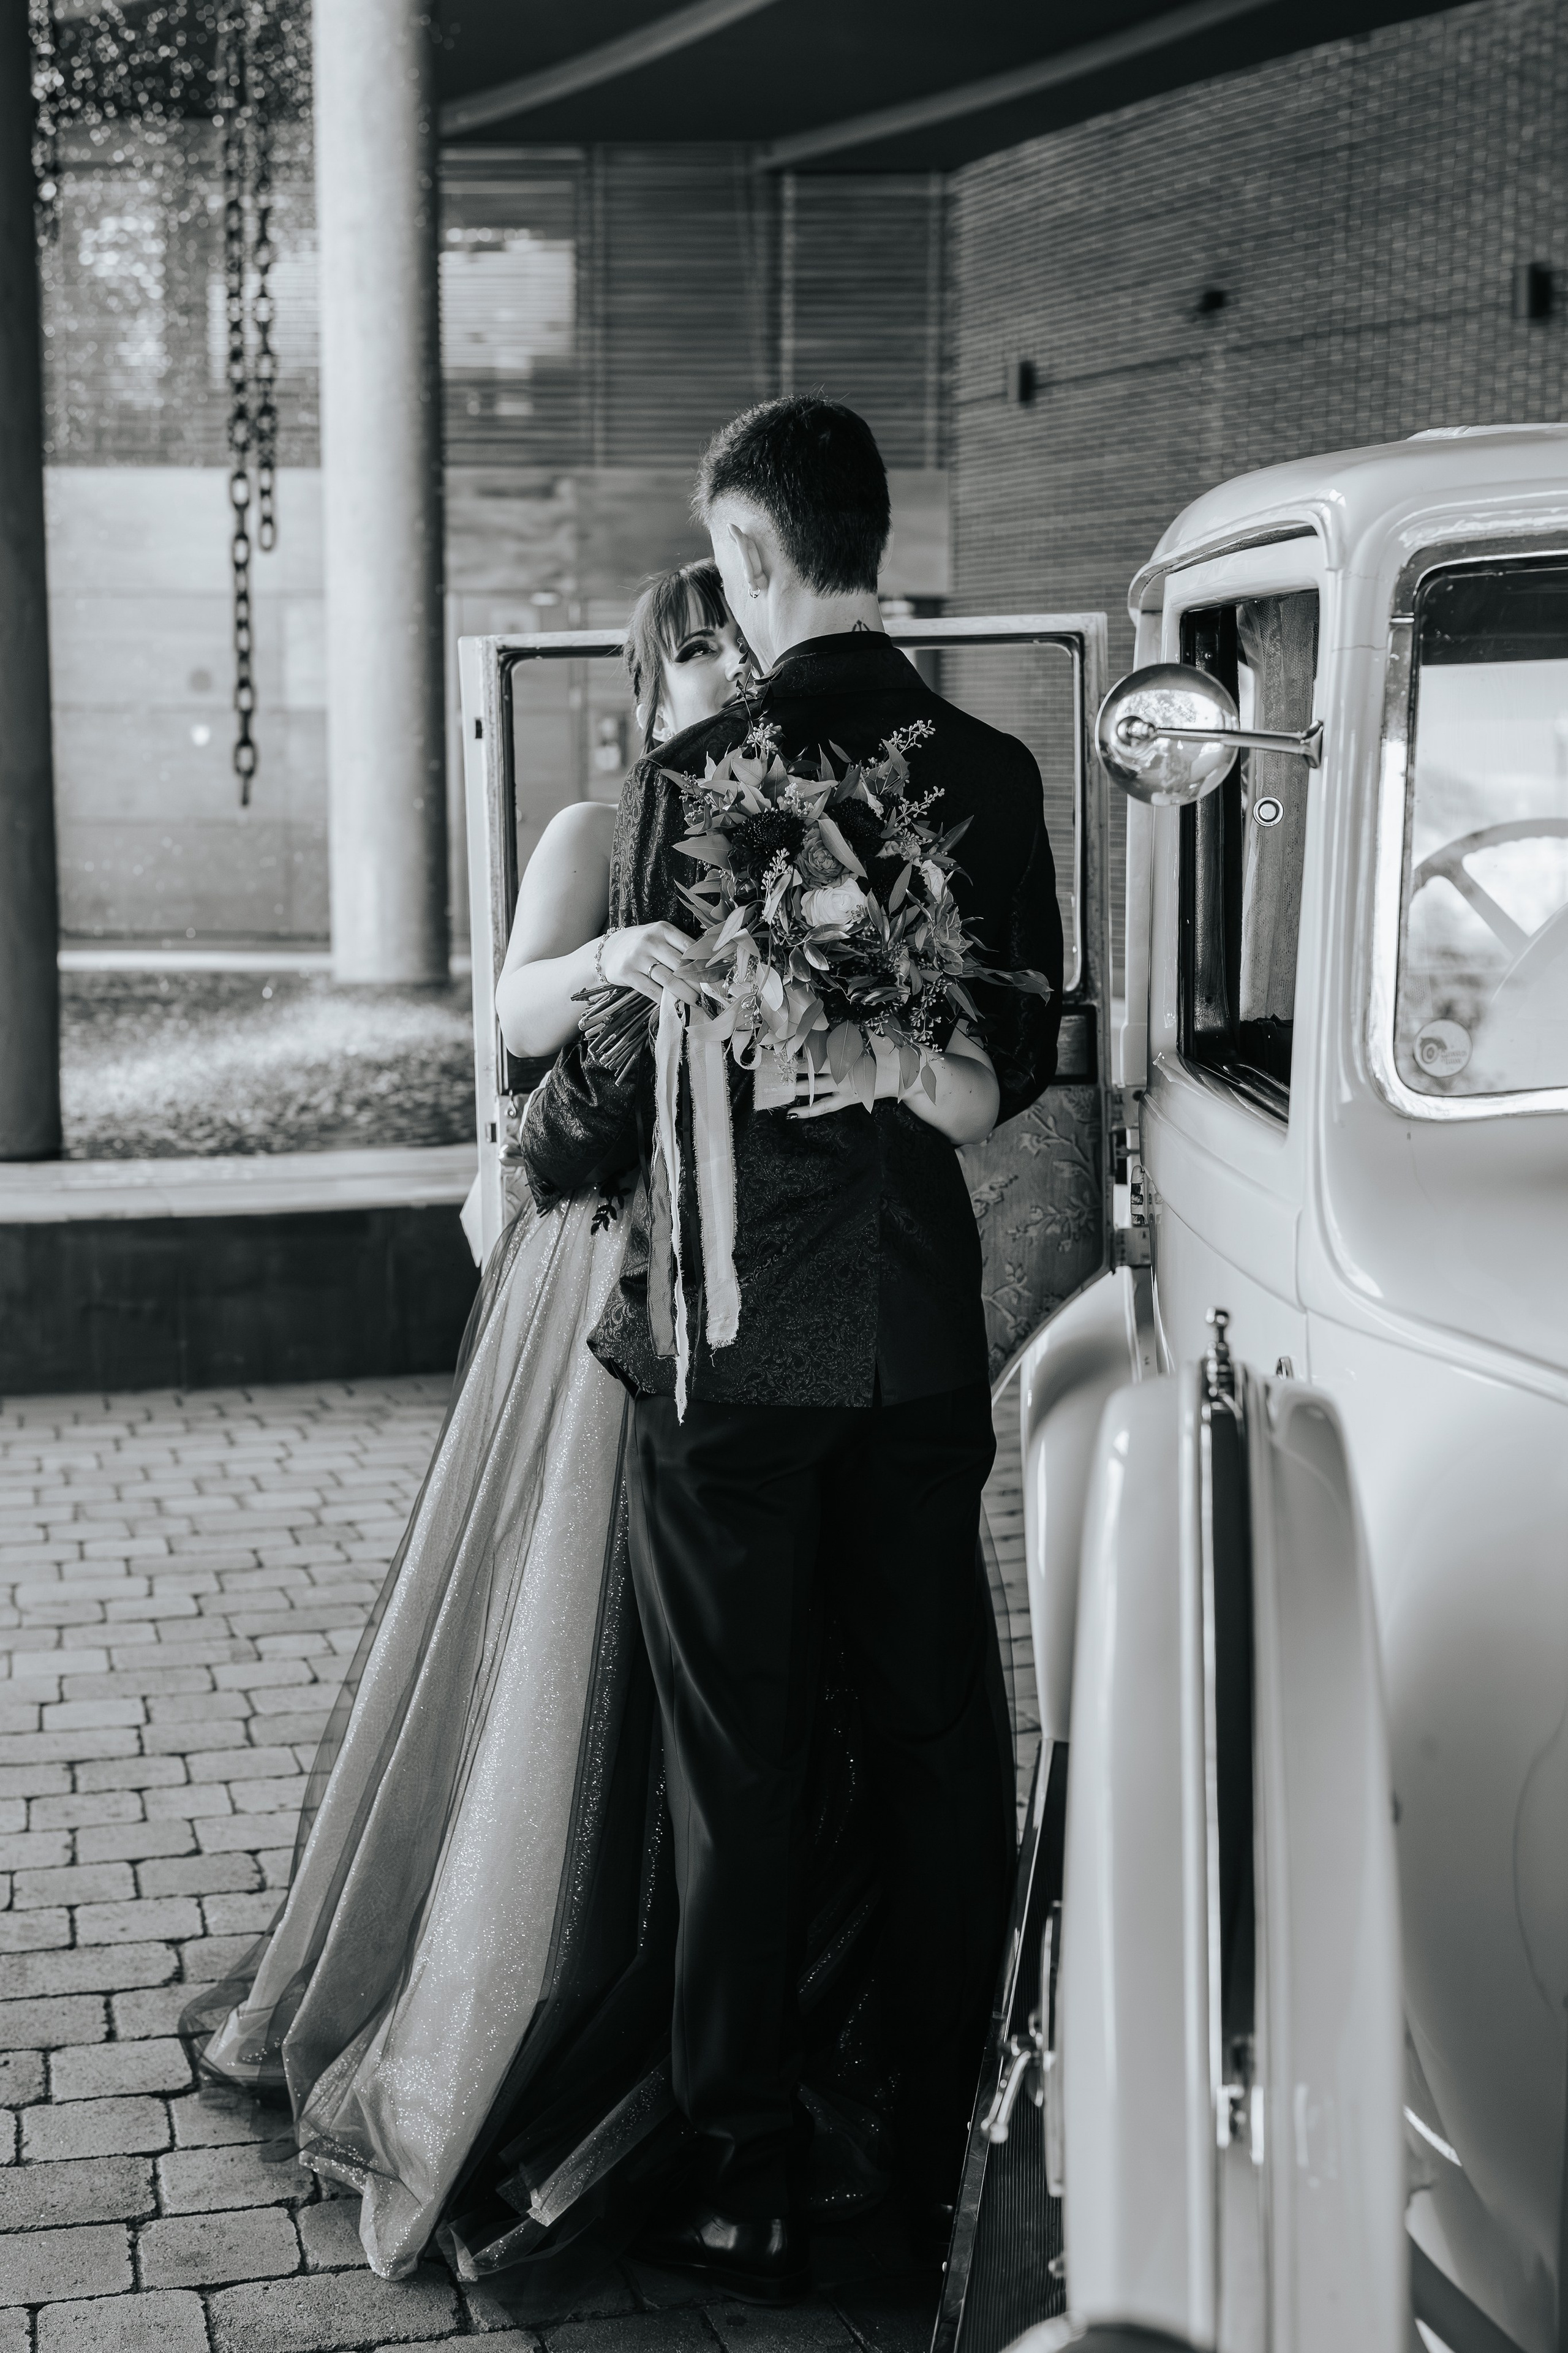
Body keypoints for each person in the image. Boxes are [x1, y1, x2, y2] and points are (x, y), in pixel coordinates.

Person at [179, 561, 832, 2295]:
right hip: (601, 1258)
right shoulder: (596, 830)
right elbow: (514, 1014)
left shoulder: (795, 839)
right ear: (651, 681)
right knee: (560, 1606)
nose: (723, 673)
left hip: (745, 1281)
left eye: (740, 647)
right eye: (696, 651)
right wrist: (621, 952)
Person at [521, 395, 1064, 2303]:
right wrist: (896, 1057)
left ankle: (745, 2170)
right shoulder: (993, 772)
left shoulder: (702, 772)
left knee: (735, 1764)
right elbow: (1010, 1071)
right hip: (911, 1337)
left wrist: (547, 1154)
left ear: (750, 556)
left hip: (735, 1346)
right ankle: (948, 2160)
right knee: (935, 1746)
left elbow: (628, 1059)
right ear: (874, 538)